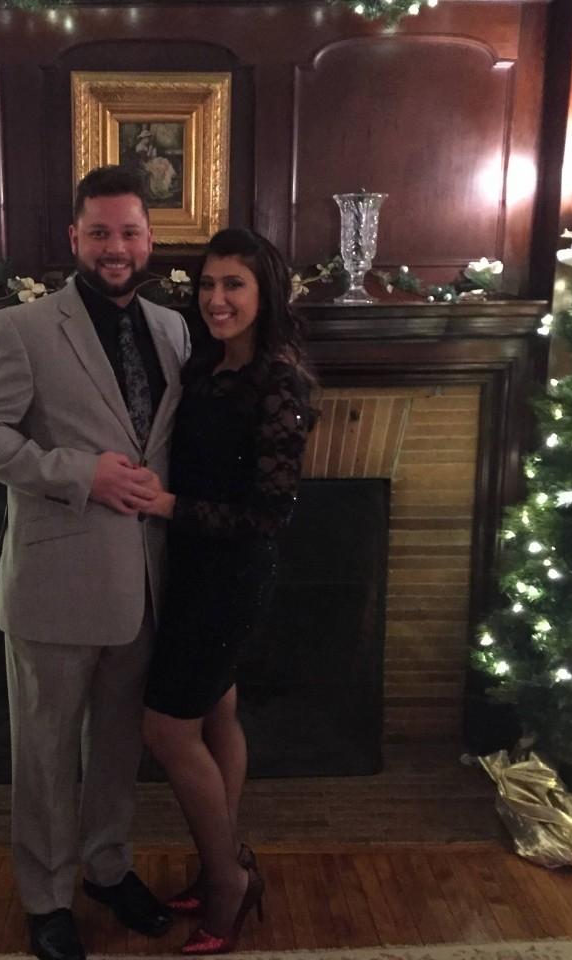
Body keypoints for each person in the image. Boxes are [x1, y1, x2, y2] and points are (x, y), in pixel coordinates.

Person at [0, 165, 191, 960]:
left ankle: (107, 868)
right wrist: (79, 473)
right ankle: (46, 896)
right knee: (46, 752)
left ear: (149, 240)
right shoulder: (21, 328)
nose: (115, 248)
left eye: (129, 232)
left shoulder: (174, 329)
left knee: (118, 746)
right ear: (74, 238)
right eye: (99, 233)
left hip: (145, 583)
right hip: (54, 581)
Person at [139, 228, 317, 955]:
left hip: (232, 572)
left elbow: (269, 514)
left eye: (233, 284)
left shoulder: (281, 381)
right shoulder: (207, 365)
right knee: (216, 713)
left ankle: (226, 882)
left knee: (165, 729)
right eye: (208, 284)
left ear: (265, 292)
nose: (216, 299)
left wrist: (168, 505)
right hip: (189, 565)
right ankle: (226, 856)